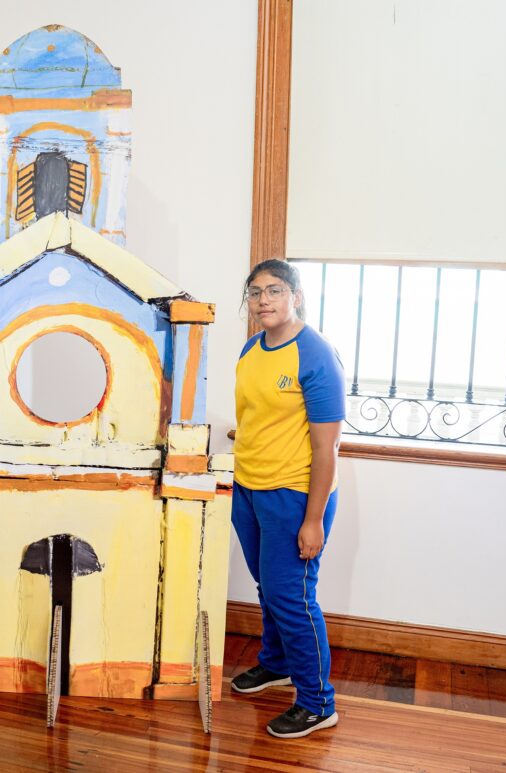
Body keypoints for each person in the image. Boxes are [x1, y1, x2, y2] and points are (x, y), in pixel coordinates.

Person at [229, 259, 346, 739]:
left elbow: (327, 447)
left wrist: (313, 519)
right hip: (248, 489)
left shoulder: (315, 355)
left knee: (293, 597)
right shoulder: (251, 349)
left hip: (294, 495)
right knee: (270, 589)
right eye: (254, 293)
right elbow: (258, 417)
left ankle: (318, 703)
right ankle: (275, 663)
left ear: (296, 295)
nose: (263, 301)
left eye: (274, 290)